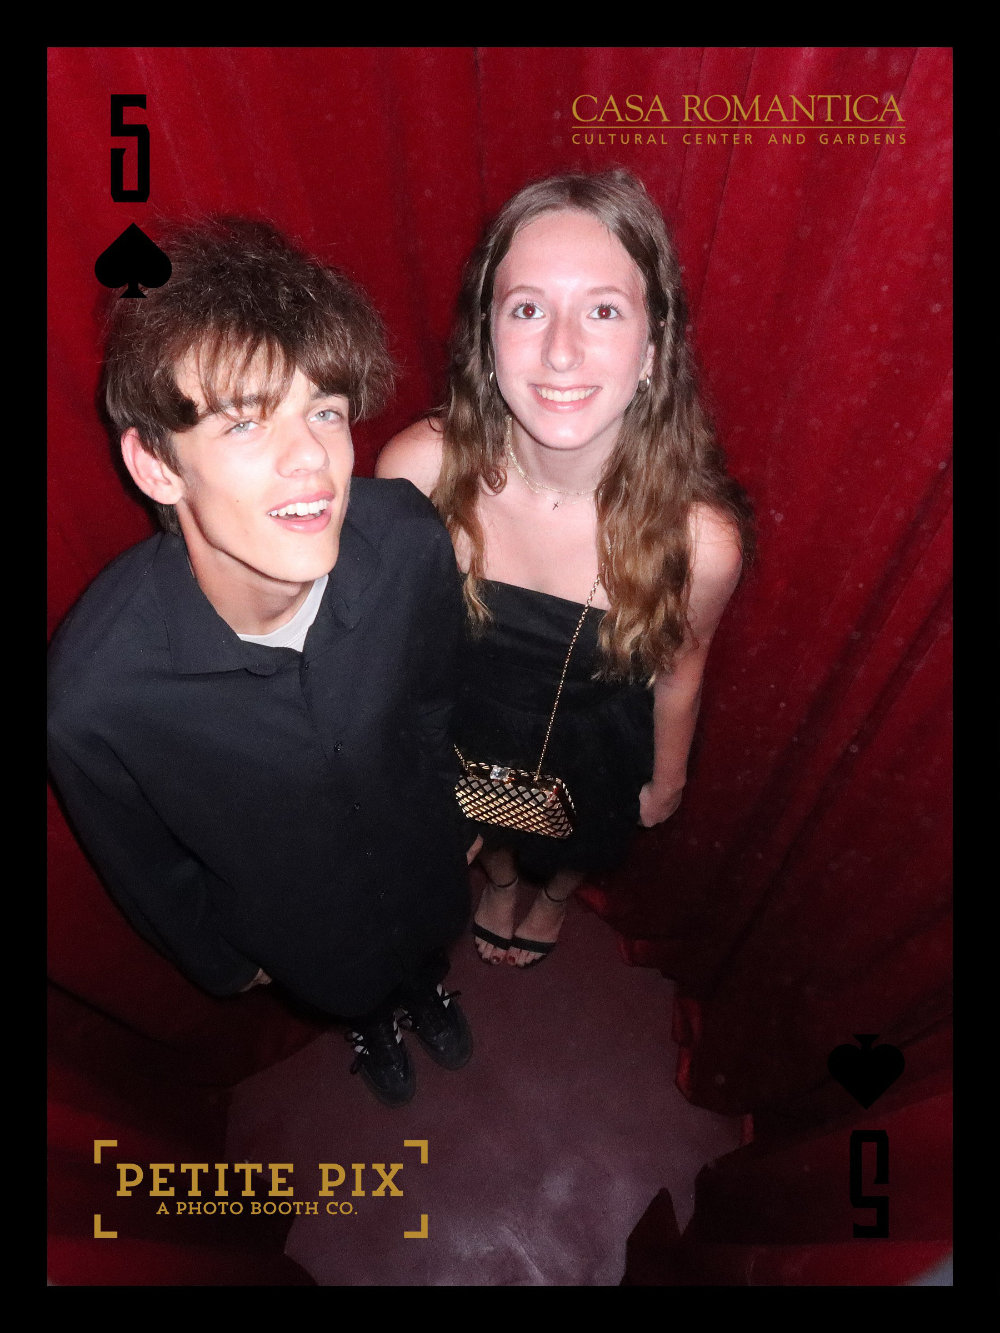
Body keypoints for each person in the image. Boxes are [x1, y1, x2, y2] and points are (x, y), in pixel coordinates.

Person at [47, 217, 480, 1108]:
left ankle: (425, 990)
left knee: (427, 946)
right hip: (304, 933)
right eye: (245, 422)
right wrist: (220, 961)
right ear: (157, 465)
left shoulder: (407, 539)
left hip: (424, 860)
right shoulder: (95, 700)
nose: (312, 458)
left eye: (324, 409)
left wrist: (454, 802)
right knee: (352, 990)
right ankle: (370, 1023)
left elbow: (439, 696)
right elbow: (145, 865)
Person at [376, 169, 754, 968]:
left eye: (603, 310)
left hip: (598, 735)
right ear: (487, 336)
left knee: (588, 830)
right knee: (486, 820)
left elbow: (681, 670)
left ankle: (551, 897)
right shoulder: (417, 473)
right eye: (527, 308)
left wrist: (668, 779)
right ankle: (501, 883)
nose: (560, 350)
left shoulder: (700, 541)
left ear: (653, 351)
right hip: (468, 722)